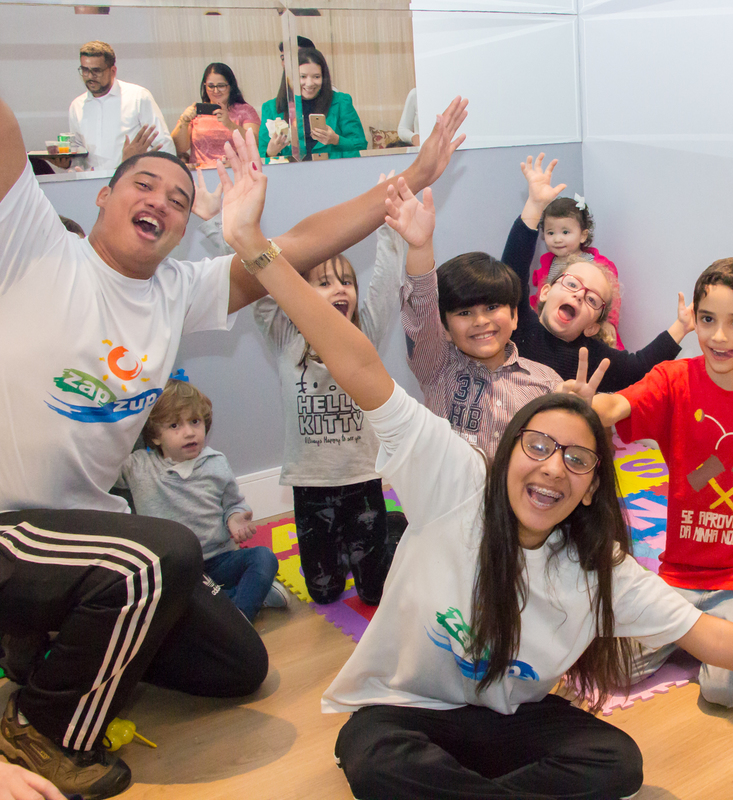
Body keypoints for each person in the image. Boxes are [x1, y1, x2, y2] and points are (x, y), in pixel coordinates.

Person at [212, 130, 733, 800]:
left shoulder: (594, 565)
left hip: (509, 717)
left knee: (616, 761)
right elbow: (357, 359)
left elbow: (713, 636)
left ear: (590, 489)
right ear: (511, 450)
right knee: (379, 758)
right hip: (408, 709)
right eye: (540, 447)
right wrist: (254, 248)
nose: (553, 470)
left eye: (577, 461)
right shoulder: (454, 480)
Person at [0, 88, 467, 798]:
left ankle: (57, 645)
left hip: (85, 537)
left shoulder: (176, 292)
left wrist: (419, 177)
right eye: (143, 184)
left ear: (186, 225)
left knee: (239, 666)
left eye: (180, 198)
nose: (161, 199)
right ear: (102, 198)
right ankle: (38, 730)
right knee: (162, 554)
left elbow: (307, 242)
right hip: (12, 529)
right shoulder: (36, 250)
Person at [585, 258, 733, 709]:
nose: (719, 337)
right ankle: (706, 636)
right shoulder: (675, 379)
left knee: (723, 692)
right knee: (610, 669)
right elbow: (618, 406)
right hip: (681, 570)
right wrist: (589, 407)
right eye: (708, 320)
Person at [254, 207, 411, 606]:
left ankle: (391, 527)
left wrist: (390, 223)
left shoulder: (364, 333)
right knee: (323, 596)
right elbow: (253, 276)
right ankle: (348, 546)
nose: (340, 289)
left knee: (374, 594)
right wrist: (221, 227)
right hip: (311, 485)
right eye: (323, 283)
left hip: (362, 480)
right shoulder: (285, 335)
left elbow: (386, 280)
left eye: (345, 282)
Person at [393, 179, 560, 458]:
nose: (481, 321)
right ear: (444, 327)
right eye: (464, 312)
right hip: (452, 500)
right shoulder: (438, 368)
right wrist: (420, 247)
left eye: (492, 307)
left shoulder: (546, 384)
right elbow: (422, 311)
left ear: (515, 315)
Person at [502, 154, 691, 393]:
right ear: (546, 291)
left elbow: (637, 367)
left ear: (592, 328)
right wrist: (534, 206)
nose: (580, 295)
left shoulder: (589, 357)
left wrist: (681, 328)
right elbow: (511, 270)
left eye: (592, 299)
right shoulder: (520, 326)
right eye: (572, 284)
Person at [115, 379, 288, 621]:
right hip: (175, 570)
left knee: (264, 557)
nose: (189, 432)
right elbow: (102, 473)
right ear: (155, 436)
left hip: (218, 560)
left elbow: (233, 505)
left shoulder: (216, 463)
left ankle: (239, 616)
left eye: (195, 422)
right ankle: (245, 597)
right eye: (175, 425)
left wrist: (236, 519)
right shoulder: (138, 467)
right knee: (160, 605)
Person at [530, 194, 623, 348]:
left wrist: (609, 322)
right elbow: (542, 299)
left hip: (590, 332)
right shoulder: (547, 266)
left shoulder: (597, 264)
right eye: (550, 233)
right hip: (559, 333)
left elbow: (612, 298)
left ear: (583, 235)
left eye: (565, 232)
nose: (557, 239)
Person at [68, 40, 174, 171]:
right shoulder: (77, 106)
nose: (90, 76)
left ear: (113, 71)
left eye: (96, 71)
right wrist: (69, 164)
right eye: (85, 70)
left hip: (133, 183)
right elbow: (78, 154)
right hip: (94, 185)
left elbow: (164, 146)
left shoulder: (138, 97)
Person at [259, 47, 366, 161]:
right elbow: (262, 156)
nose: (309, 83)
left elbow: (360, 146)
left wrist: (336, 139)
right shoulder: (270, 108)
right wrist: (270, 152)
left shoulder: (341, 102)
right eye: (302, 77)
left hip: (333, 172)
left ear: (324, 77)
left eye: (316, 77)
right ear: (290, 78)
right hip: (290, 174)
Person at [171, 63, 261, 168]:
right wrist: (184, 121)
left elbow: (254, 144)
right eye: (211, 86)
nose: (216, 91)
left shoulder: (245, 110)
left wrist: (229, 124)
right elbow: (179, 148)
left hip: (236, 173)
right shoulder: (195, 111)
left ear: (231, 86)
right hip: (201, 175)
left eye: (221, 86)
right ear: (205, 86)